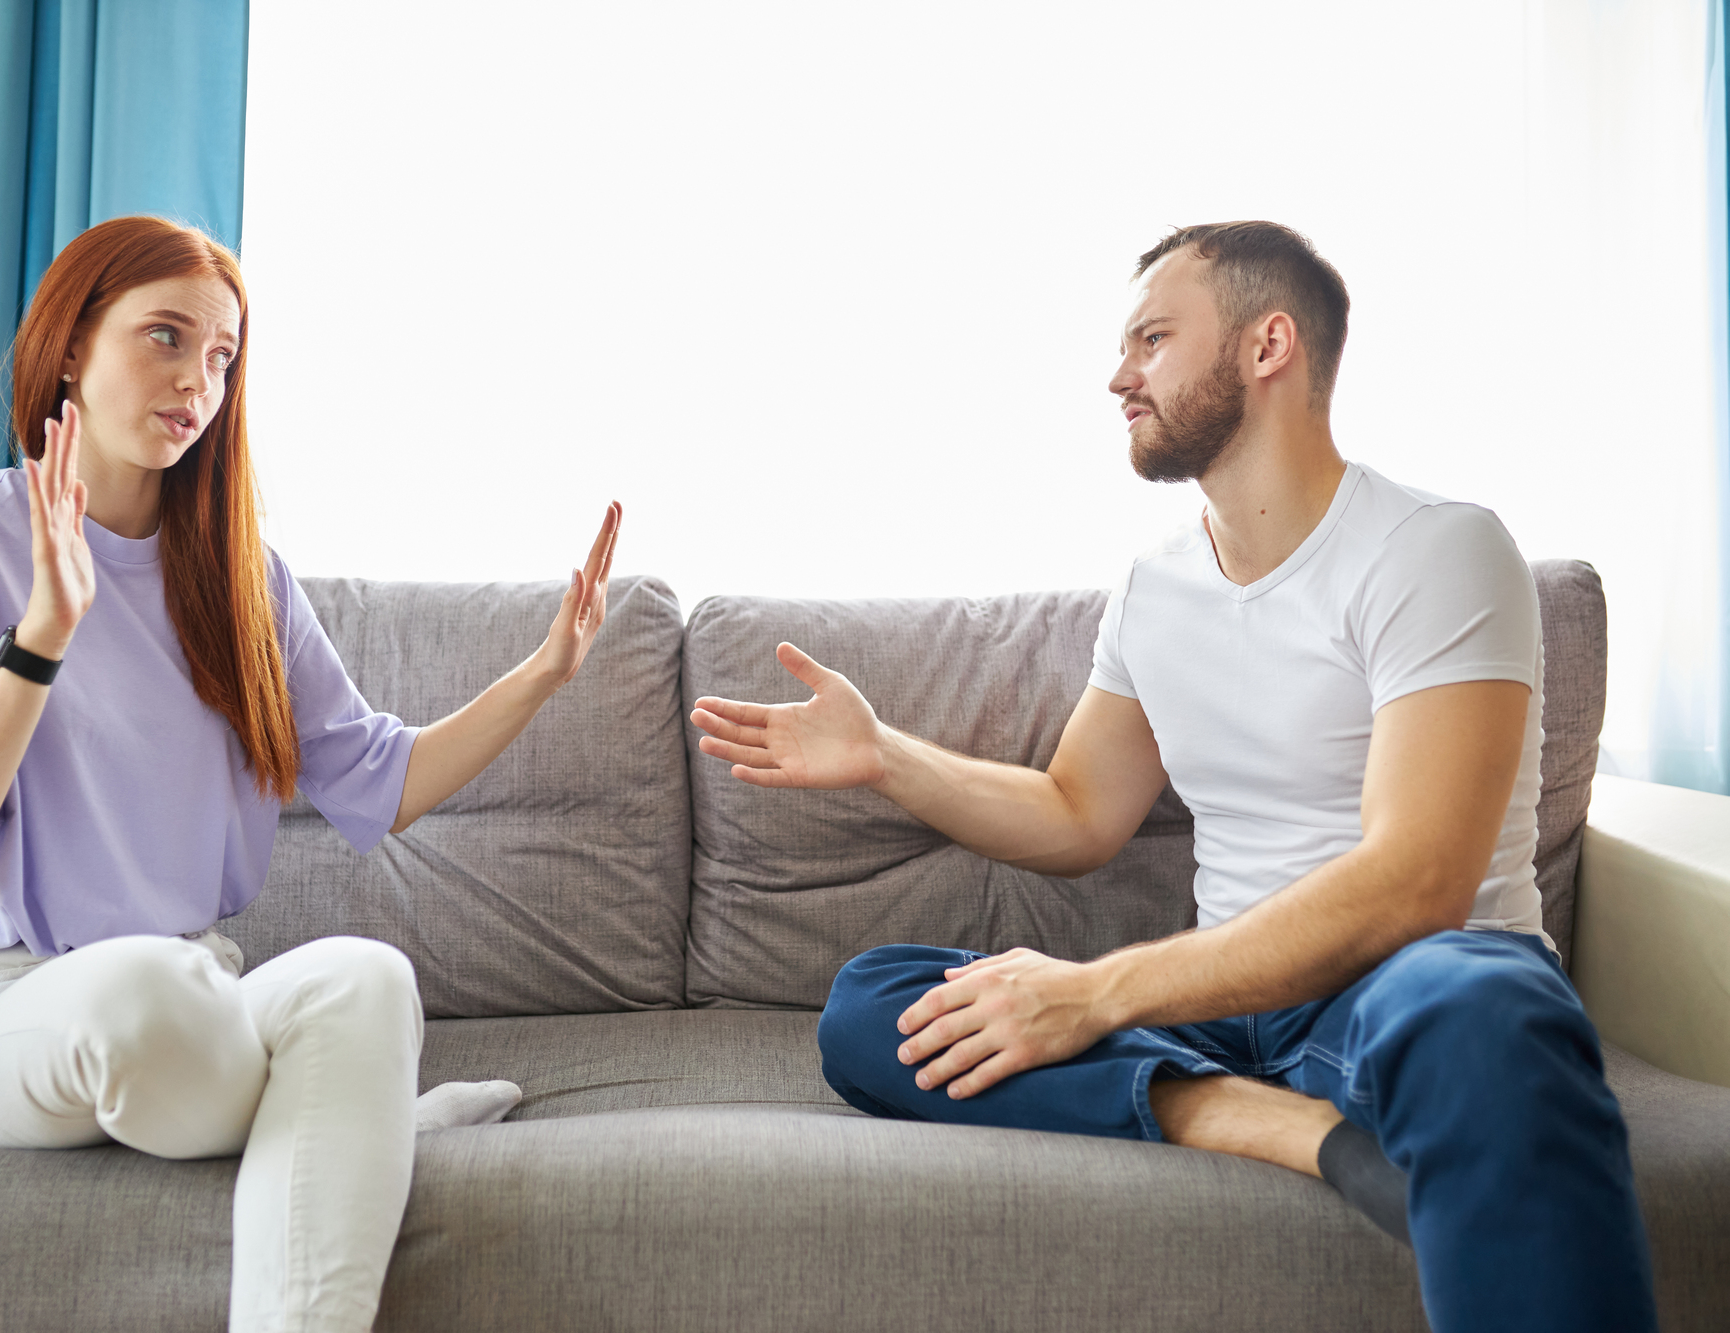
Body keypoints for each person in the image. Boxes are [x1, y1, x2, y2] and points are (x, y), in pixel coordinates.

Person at [689, 222, 1656, 1333]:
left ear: (1267, 344)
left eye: (1150, 338)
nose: (1116, 374)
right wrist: (881, 757)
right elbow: (1075, 810)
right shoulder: (1155, 587)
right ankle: (1280, 1127)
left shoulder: (1433, 550)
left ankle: (1272, 1095)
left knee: (1489, 1006)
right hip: (1221, 1021)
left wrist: (1096, 993)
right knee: (875, 1004)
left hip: (1401, 992)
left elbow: (1415, 882)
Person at [0, 215, 623, 1333]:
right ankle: (362, 1119)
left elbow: (380, 778)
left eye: (221, 357)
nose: (196, 381)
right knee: (137, 997)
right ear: (70, 346)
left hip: (193, 994)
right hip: (2, 1016)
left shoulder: (240, 574)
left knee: (366, 978)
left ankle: (337, 1128)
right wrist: (43, 637)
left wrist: (544, 674)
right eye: (165, 338)